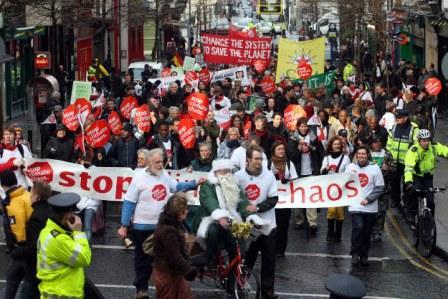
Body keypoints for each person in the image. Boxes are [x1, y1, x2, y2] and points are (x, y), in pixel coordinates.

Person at [117, 148, 203, 299]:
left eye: (161, 162)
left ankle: (166, 288)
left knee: (166, 259)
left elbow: (176, 187)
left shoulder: (164, 175)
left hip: (161, 227)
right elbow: (129, 202)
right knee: (143, 259)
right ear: (149, 162)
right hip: (142, 226)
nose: (160, 165)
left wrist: (194, 183)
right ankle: (142, 289)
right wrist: (124, 225)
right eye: (157, 162)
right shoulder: (138, 177)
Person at [235, 145, 279, 299]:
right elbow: (234, 199)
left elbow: (274, 199)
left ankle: (268, 293)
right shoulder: (239, 176)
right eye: (256, 158)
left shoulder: (269, 176)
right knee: (247, 260)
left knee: (269, 261)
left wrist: (258, 207)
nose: (259, 161)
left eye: (261, 158)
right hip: (248, 227)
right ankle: (240, 287)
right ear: (248, 160)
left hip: (268, 226)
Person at [193, 159, 253, 267]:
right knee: (213, 231)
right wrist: (220, 216)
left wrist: (250, 215)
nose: (226, 174)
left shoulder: (234, 184)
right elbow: (210, 202)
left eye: (228, 171)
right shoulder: (208, 185)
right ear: (216, 172)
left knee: (237, 236)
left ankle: (235, 265)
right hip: (210, 218)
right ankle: (210, 257)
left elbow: (243, 202)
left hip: (231, 218)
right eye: (222, 172)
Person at [36, 193, 91, 298]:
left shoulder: (47, 231)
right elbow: (85, 258)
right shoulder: (59, 239)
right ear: (67, 216)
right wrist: (78, 233)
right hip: (62, 294)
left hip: (55, 291)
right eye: (73, 213)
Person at [153, 193, 197, 299]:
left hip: (173, 273)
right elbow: (174, 256)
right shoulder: (169, 231)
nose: (187, 211)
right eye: (185, 209)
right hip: (168, 274)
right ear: (178, 211)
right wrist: (188, 270)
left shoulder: (169, 226)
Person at [346, 146, 384, 266]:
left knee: (367, 232)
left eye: (363, 154)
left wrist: (368, 199)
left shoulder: (375, 169)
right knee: (358, 227)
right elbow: (342, 183)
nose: (361, 156)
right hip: (355, 206)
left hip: (370, 208)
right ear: (356, 155)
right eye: (359, 154)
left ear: (368, 155)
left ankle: (364, 255)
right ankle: (355, 254)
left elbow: (379, 187)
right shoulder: (350, 167)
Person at [288, 117, 323, 236]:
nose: (303, 128)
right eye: (301, 126)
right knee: (298, 197)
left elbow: (320, 152)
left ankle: (312, 222)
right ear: (298, 127)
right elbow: (292, 156)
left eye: (305, 126)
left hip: (311, 171)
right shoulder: (293, 139)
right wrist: (299, 150)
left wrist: (311, 148)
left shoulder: (313, 138)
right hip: (298, 172)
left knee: (311, 197)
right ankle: (299, 220)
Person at [16, 181, 52, 299]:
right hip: (47, 265)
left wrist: (18, 251)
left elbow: (34, 246)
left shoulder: (36, 216)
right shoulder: (50, 211)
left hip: (35, 268)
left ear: (36, 197)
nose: (30, 196)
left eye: (31, 193)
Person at [1, 170, 33, 299]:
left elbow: (18, 228)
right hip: (30, 247)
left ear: (3, 185)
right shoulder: (26, 194)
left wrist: (16, 248)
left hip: (23, 250)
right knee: (12, 278)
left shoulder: (14, 203)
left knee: (21, 282)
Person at [404, 129, 448, 223]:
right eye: (424, 141)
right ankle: (411, 214)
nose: (426, 143)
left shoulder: (433, 147)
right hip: (416, 177)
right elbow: (408, 168)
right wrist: (408, 181)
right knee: (414, 193)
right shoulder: (413, 151)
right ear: (419, 141)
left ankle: (430, 220)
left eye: (428, 140)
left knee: (430, 200)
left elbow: (445, 150)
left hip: (428, 177)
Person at [268, 141, 297, 257]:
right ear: (274, 151)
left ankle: (281, 250)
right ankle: (270, 247)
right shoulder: (268, 164)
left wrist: (287, 180)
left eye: (283, 149)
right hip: (272, 201)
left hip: (285, 200)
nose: (281, 151)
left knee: (283, 226)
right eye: (279, 149)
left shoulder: (290, 164)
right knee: (272, 226)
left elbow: (295, 180)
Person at [386, 109, 419, 207]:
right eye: (397, 117)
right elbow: (390, 142)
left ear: (406, 118)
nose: (397, 119)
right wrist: (388, 156)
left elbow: (417, 144)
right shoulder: (395, 126)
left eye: (399, 118)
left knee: (406, 184)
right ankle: (395, 200)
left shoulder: (414, 128)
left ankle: (406, 201)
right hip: (395, 162)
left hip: (407, 162)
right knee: (394, 183)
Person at [321, 137, 350, 243]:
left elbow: (349, 173)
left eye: (338, 144)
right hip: (330, 189)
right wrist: (326, 169)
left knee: (340, 212)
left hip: (341, 188)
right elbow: (322, 173)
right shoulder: (327, 158)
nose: (337, 146)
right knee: (331, 210)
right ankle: (330, 232)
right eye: (335, 144)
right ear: (331, 146)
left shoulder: (346, 158)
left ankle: (338, 234)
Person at [370, 137, 396, 242]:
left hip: (383, 190)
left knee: (381, 212)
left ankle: (377, 232)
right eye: (375, 142)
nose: (377, 144)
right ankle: (369, 230)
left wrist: (389, 168)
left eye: (379, 142)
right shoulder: (366, 153)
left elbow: (395, 170)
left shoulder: (387, 154)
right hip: (369, 189)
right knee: (369, 211)